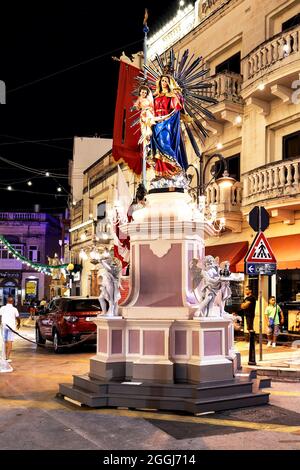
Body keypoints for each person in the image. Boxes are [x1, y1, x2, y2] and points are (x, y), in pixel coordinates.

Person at [149, 75, 188, 187]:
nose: (164, 82)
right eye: (162, 81)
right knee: (157, 148)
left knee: (165, 143)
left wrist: (177, 96)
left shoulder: (171, 96)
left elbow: (177, 109)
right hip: (156, 124)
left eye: (166, 81)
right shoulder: (155, 97)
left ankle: (176, 166)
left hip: (167, 123)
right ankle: (162, 172)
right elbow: (150, 110)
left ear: (169, 82)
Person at [0, 296, 21, 362]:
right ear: (13, 302)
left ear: (7, 301)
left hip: (4, 326)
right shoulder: (14, 309)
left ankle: (3, 357)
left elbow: (0, 316)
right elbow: (18, 318)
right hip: (11, 327)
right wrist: (18, 324)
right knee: (10, 342)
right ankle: (7, 358)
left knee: (4, 341)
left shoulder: (2, 308)